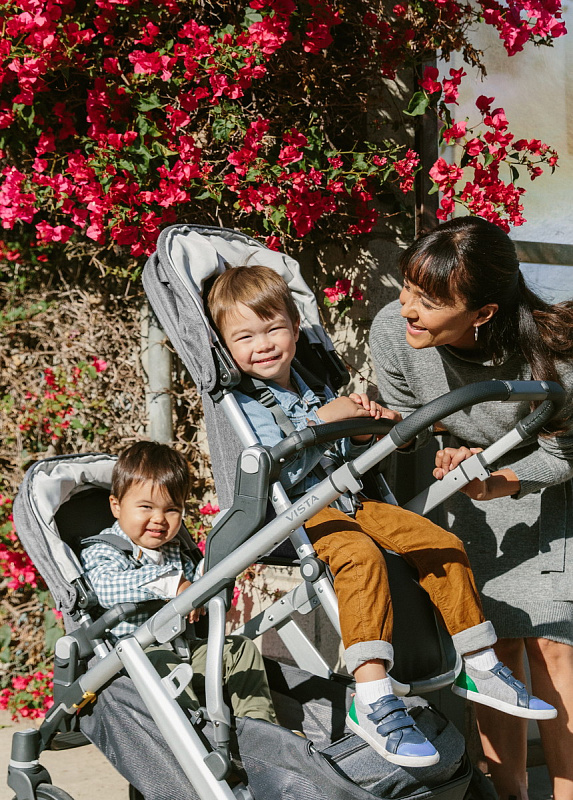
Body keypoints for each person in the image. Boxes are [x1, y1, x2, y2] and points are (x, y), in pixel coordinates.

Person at [206, 263, 556, 769]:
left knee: (438, 541)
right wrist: (319, 422)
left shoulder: (313, 383)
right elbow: (267, 473)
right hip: (294, 515)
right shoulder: (243, 402)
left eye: (273, 329)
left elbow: (345, 452)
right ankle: (370, 697)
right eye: (245, 337)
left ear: (296, 328)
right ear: (224, 345)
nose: (262, 345)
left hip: (350, 500)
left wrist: (363, 430)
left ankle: (479, 664)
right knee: (359, 556)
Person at [369, 215, 573, 800]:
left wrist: (502, 478)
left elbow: (566, 452)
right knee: (492, 650)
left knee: (554, 648)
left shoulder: (553, 354)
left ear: (482, 312)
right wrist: (440, 447)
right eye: (408, 287)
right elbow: (414, 427)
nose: (408, 308)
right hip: (468, 502)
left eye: (430, 301)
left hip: (542, 495)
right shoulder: (393, 332)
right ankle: (508, 794)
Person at [80, 440, 277, 725]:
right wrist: (172, 585)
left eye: (172, 509)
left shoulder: (174, 550)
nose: (159, 519)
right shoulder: (103, 550)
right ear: (116, 506)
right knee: (164, 663)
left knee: (240, 650)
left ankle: (262, 729)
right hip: (134, 661)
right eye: (146, 507)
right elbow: (106, 588)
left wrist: (214, 568)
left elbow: (197, 583)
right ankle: (195, 735)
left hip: (184, 650)